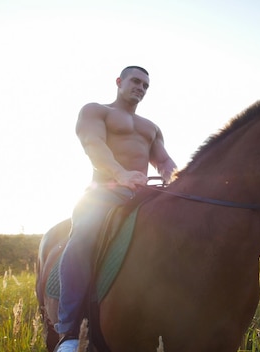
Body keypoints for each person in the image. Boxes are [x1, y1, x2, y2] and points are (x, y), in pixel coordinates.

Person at [55, 66, 177, 352]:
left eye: (146, 85)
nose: (141, 88)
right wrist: (120, 174)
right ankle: (71, 331)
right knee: (83, 235)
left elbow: (164, 162)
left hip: (145, 194)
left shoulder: (151, 127)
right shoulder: (96, 111)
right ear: (119, 82)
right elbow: (93, 144)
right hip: (104, 193)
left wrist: (176, 177)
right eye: (136, 81)